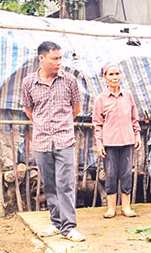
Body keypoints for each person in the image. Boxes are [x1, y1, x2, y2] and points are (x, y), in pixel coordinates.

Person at [22, 41, 85, 242]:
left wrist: (62, 124)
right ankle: (56, 223)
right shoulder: (29, 83)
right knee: (49, 184)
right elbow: (28, 110)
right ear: (42, 58)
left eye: (60, 58)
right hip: (41, 142)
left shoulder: (69, 81)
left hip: (64, 139)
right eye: (54, 58)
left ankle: (68, 227)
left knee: (65, 184)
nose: (59, 62)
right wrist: (42, 125)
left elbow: (76, 108)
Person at [92, 63, 141, 218]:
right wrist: (99, 143)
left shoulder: (128, 96)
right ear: (104, 77)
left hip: (127, 140)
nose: (114, 77)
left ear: (121, 76)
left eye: (117, 74)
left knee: (126, 174)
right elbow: (97, 123)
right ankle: (111, 208)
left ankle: (126, 207)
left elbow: (134, 118)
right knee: (111, 174)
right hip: (110, 142)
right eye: (111, 74)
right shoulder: (100, 99)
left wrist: (137, 135)